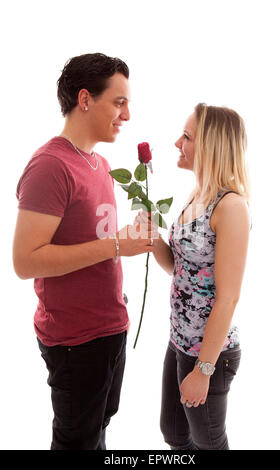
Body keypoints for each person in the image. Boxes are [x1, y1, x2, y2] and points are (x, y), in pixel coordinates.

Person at [12, 53, 155, 450]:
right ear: (86, 99)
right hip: (76, 341)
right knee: (77, 440)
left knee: (97, 431)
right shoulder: (49, 166)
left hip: (110, 328)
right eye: (119, 101)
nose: (127, 115)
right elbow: (25, 261)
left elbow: (96, 244)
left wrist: (130, 239)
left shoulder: (100, 164)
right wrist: (116, 245)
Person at [136, 103, 251, 450]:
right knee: (172, 432)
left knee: (209, 443)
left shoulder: (230, 207)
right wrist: (154, 239)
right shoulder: (197, 196)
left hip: (210, 353)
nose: (176, 143)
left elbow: (228, 297)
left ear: (211, 146)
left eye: (186, 137)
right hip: (180, 341)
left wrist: (203, 371)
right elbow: (182, 270)